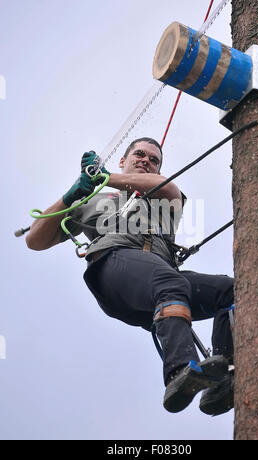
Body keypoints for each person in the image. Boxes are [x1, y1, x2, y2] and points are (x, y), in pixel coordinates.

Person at [26, 137, 234, 415]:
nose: (146, 160)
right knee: (169, 282)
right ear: (123, 161)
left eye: (154, 159)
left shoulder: (164, 196)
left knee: (232, 290)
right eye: (139, 154)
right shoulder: (94, 200)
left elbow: (169, 187)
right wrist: (73, 194)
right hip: (113, 268)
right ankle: (180, 371)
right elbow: (35, 240)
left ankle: (220, 382)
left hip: (160, 281)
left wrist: (102, 176)